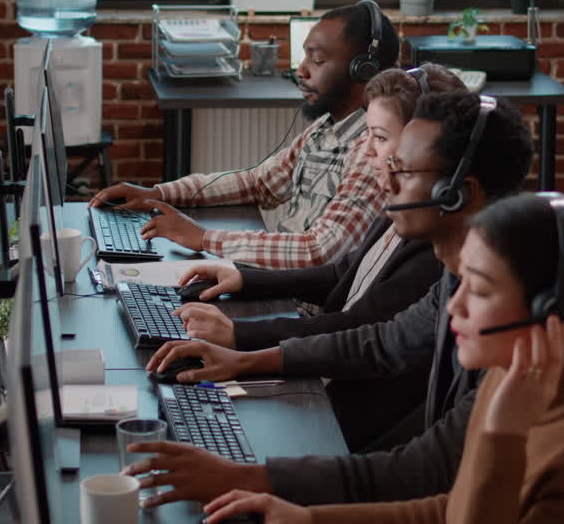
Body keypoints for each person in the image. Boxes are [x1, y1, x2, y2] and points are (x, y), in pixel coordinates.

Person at [123, 91, 536, 507]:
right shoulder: (459, 277)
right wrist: (241, 360)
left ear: (457, 193)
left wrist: (249, 478)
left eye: (404, 172)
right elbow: (380, 341)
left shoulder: (509, 320)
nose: (386, 182)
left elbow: (426, 470)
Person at [202, 194, 564, 524]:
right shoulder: (511, 379)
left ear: (552, 314)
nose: (454, 308)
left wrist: (502, 434)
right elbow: (449, 509)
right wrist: (310, 518)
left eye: (478, 290)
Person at [174, 64, 466, 450]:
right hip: (330, 381)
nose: (366, 153)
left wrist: (241, 337)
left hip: (349, 411)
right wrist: (243, 277)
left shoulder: (435, 250)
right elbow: (344, 274)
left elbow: (360, 331)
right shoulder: (402, 210)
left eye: (379, 138)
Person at [89, 1, 400, 269]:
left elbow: (319, 252)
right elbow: (258, 182)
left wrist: (204, 238)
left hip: (303, 307)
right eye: (303, 58)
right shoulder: (324, 130)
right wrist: (159, 194)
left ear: (363, 70)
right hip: (278, 280)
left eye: (317, 60)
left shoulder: (370, 150)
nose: (301, 71)